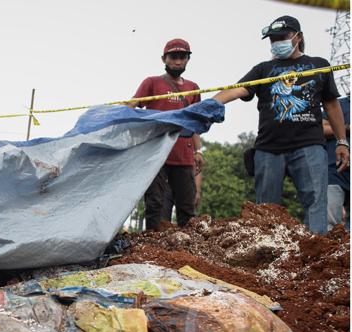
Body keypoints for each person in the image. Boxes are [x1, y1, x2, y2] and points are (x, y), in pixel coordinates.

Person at [213, 15, 350, 235]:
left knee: (317, 204)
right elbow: (237, 89)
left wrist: (342, 141)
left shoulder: (318, 65)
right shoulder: (263, 69)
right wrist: (210, 104)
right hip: (269, 149)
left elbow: (332, 106)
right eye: (273, 39)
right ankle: (265, 255)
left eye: (282, 37)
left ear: (298, 37)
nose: (277, 42)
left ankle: (315, 254)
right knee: (265, 210)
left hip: (309, 146)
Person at [128, 38, 204, 231]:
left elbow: (193, 123)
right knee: (155, 205)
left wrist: (199, 151)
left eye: (182, 57)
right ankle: (154, 248)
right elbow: (131, 107)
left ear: (188, 59)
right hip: (157, 155)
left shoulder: (193, 88)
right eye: (173, 57)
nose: (178, 62)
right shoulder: (152, 83)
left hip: (184, 156)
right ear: (164, 58)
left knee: (187, 207)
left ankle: (187, 249)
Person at [323, 96, 350, 230]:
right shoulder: (339, 104)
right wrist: (347, 128)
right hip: (336, 173)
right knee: (329, 224)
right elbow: (320, 128)